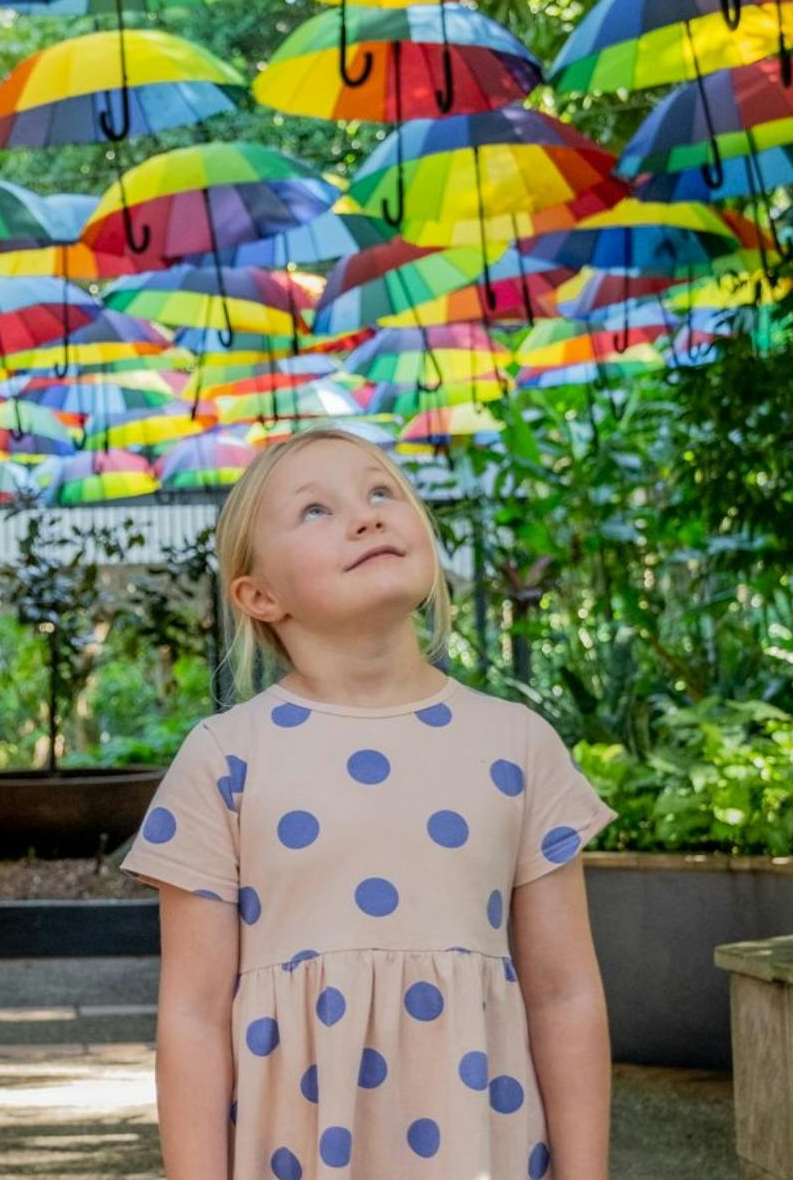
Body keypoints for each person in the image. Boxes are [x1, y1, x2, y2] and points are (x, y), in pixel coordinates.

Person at [119, 425, 619, 1179]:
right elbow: (191, 1015)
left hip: (484, 1149)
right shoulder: (226, 759)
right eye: (316, 510)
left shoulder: (519, 746)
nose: (366, 515)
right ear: (259, 596)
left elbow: (565, 995)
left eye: (382, 490)